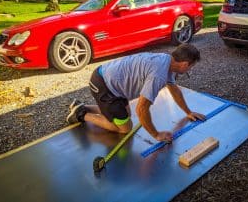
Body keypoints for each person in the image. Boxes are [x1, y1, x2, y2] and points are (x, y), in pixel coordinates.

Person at [66, 43, 205, 142]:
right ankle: (81, 114)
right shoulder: (159, 74)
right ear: (185, 64)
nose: (189, 70)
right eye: (191, 66)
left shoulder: (166, 60)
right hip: (104, 85)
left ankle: (83, 107)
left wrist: (188, 112)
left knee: (126, 115)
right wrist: (156, 135)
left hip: (111, 82)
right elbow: (142, 109)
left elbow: (174, 89)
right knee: (125, 128)